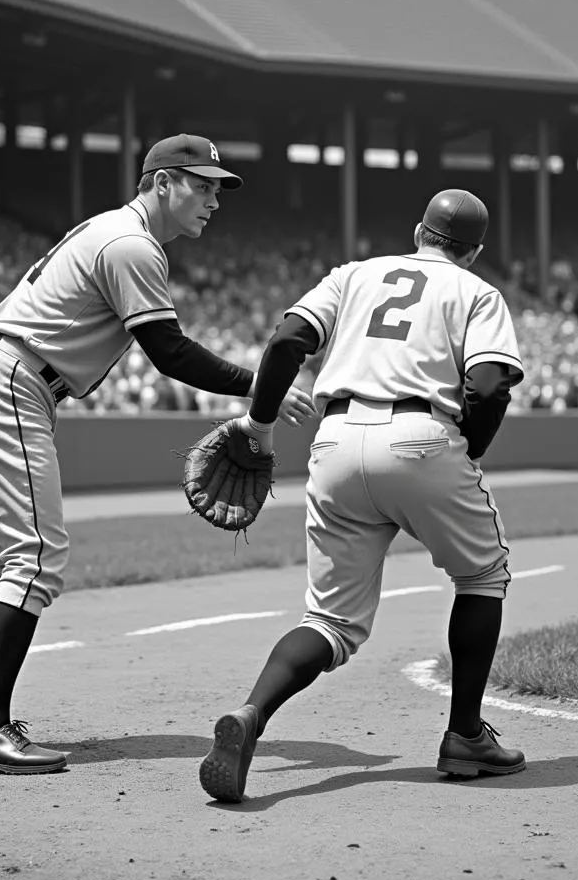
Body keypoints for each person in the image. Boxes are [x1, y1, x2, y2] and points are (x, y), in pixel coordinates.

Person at [0, 134, 316, 774]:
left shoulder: (111, 233)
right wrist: (259, 387)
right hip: (12, 380)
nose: (213, 200)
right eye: (201, 185)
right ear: (161, 183)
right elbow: (168, 350)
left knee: (3, 558)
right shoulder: (131, 245)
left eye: (216, 189)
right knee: (37, 557)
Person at [198, 188, 527, 803]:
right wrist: (464, 454)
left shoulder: (353, 275)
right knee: (483, 576)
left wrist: (260, 425)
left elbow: (286, 342)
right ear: (475, 251)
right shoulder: (478, 291)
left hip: (337, 440)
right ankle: (464, 736)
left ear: (418, 231)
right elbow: (487, 388)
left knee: (328, 620)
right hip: (422, 435)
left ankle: (251, 714)